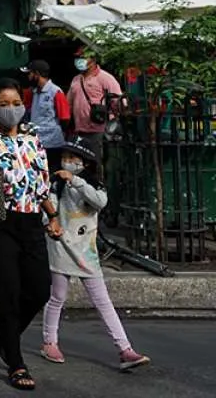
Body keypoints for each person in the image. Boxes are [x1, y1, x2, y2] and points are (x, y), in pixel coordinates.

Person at [0, 77, 63, 391]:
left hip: (31, 221)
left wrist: (53, 214)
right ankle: (15, 362)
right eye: (4, 104)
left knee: (40, 290)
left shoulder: (33, 139)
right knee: (7, 294)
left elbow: (41, 183)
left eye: (16, 104)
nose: (11, 110)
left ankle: (5, 331)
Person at [40, 141, 150, 371]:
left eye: (73, 158)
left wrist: (75, 181)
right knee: (57, 296)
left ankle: (125, 349)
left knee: (102, 300)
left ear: (85, 163)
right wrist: (50, 224)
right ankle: (50, 342)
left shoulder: (93, 187)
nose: (68, 161)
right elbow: (46, 209)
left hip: (86, 251)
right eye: (66, 157)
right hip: (61, 246)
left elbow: (99, 203)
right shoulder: (54, 185)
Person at [67, 48, 122, 163]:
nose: (79, 61)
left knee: (96, 162)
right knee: (82, 163)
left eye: (83, 57)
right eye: (78, 58)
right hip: (80, 130)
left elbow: (119, 102)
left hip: (99, 131)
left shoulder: (105, 78)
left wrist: (111, 123)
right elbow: (69, 104)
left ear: (93, 60)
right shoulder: (76, 79)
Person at [22, 59, 71, 173]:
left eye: (30, 73)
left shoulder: (55, 92)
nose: (28, 77)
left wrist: (56, 132)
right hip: (37, 142)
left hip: (53, 144)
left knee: (53, 172)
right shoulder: (34, 92)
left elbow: (65, 118)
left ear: (37, 74)